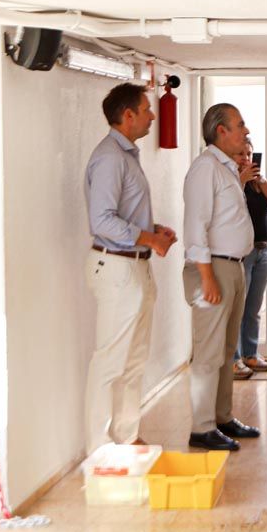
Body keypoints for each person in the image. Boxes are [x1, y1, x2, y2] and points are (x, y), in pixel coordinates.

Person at [83, 83, 177, 453]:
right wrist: (148, 238)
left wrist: (151, 231)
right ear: (128, 116)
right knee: (109, 361)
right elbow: (102, 221)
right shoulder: (109, 157)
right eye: (147, 109)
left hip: (135, 268)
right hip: (117, 270)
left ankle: (126, 436)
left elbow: (121, 214)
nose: (153, 115)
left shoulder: (127, 156)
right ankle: (99, 447)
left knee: (134, 360)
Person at [183, 103, 261, 451]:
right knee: (209, 352)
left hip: (233, 266)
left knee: (228, 349)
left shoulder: (227, 169)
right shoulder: (205, 169)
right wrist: (206, 277)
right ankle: (201, 427)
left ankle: (222, 417)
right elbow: (195, 226)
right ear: (221, 131)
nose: (246, 132)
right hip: (212, 269)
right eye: (240, 125)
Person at [230, 138, 267, 379]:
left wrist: (260, 179)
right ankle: (234, 359)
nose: (245, 158)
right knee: (237, 308)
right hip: (243, 253)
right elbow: (228, 207)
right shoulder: (230, 182)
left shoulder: (257, 183)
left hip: (264, 251)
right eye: (241, 154)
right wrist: (240, 180)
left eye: (249, 154)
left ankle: (250, 353)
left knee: (253, 307)